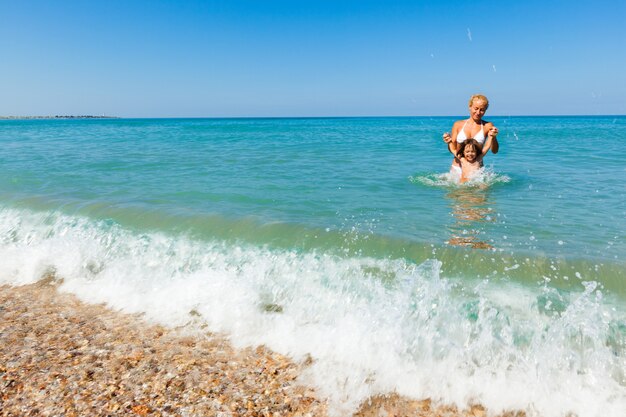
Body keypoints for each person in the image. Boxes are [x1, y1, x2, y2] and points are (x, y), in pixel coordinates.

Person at [442, 94, 499, 178]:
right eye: (476, 108)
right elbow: (453, 149)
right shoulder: (458, 124)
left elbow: (494, 151)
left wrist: (493, 137)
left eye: (482, 110)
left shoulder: (487, 126)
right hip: (457, 167)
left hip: (476, 169)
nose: (478, 112)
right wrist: (448, 142)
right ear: (470, 106)